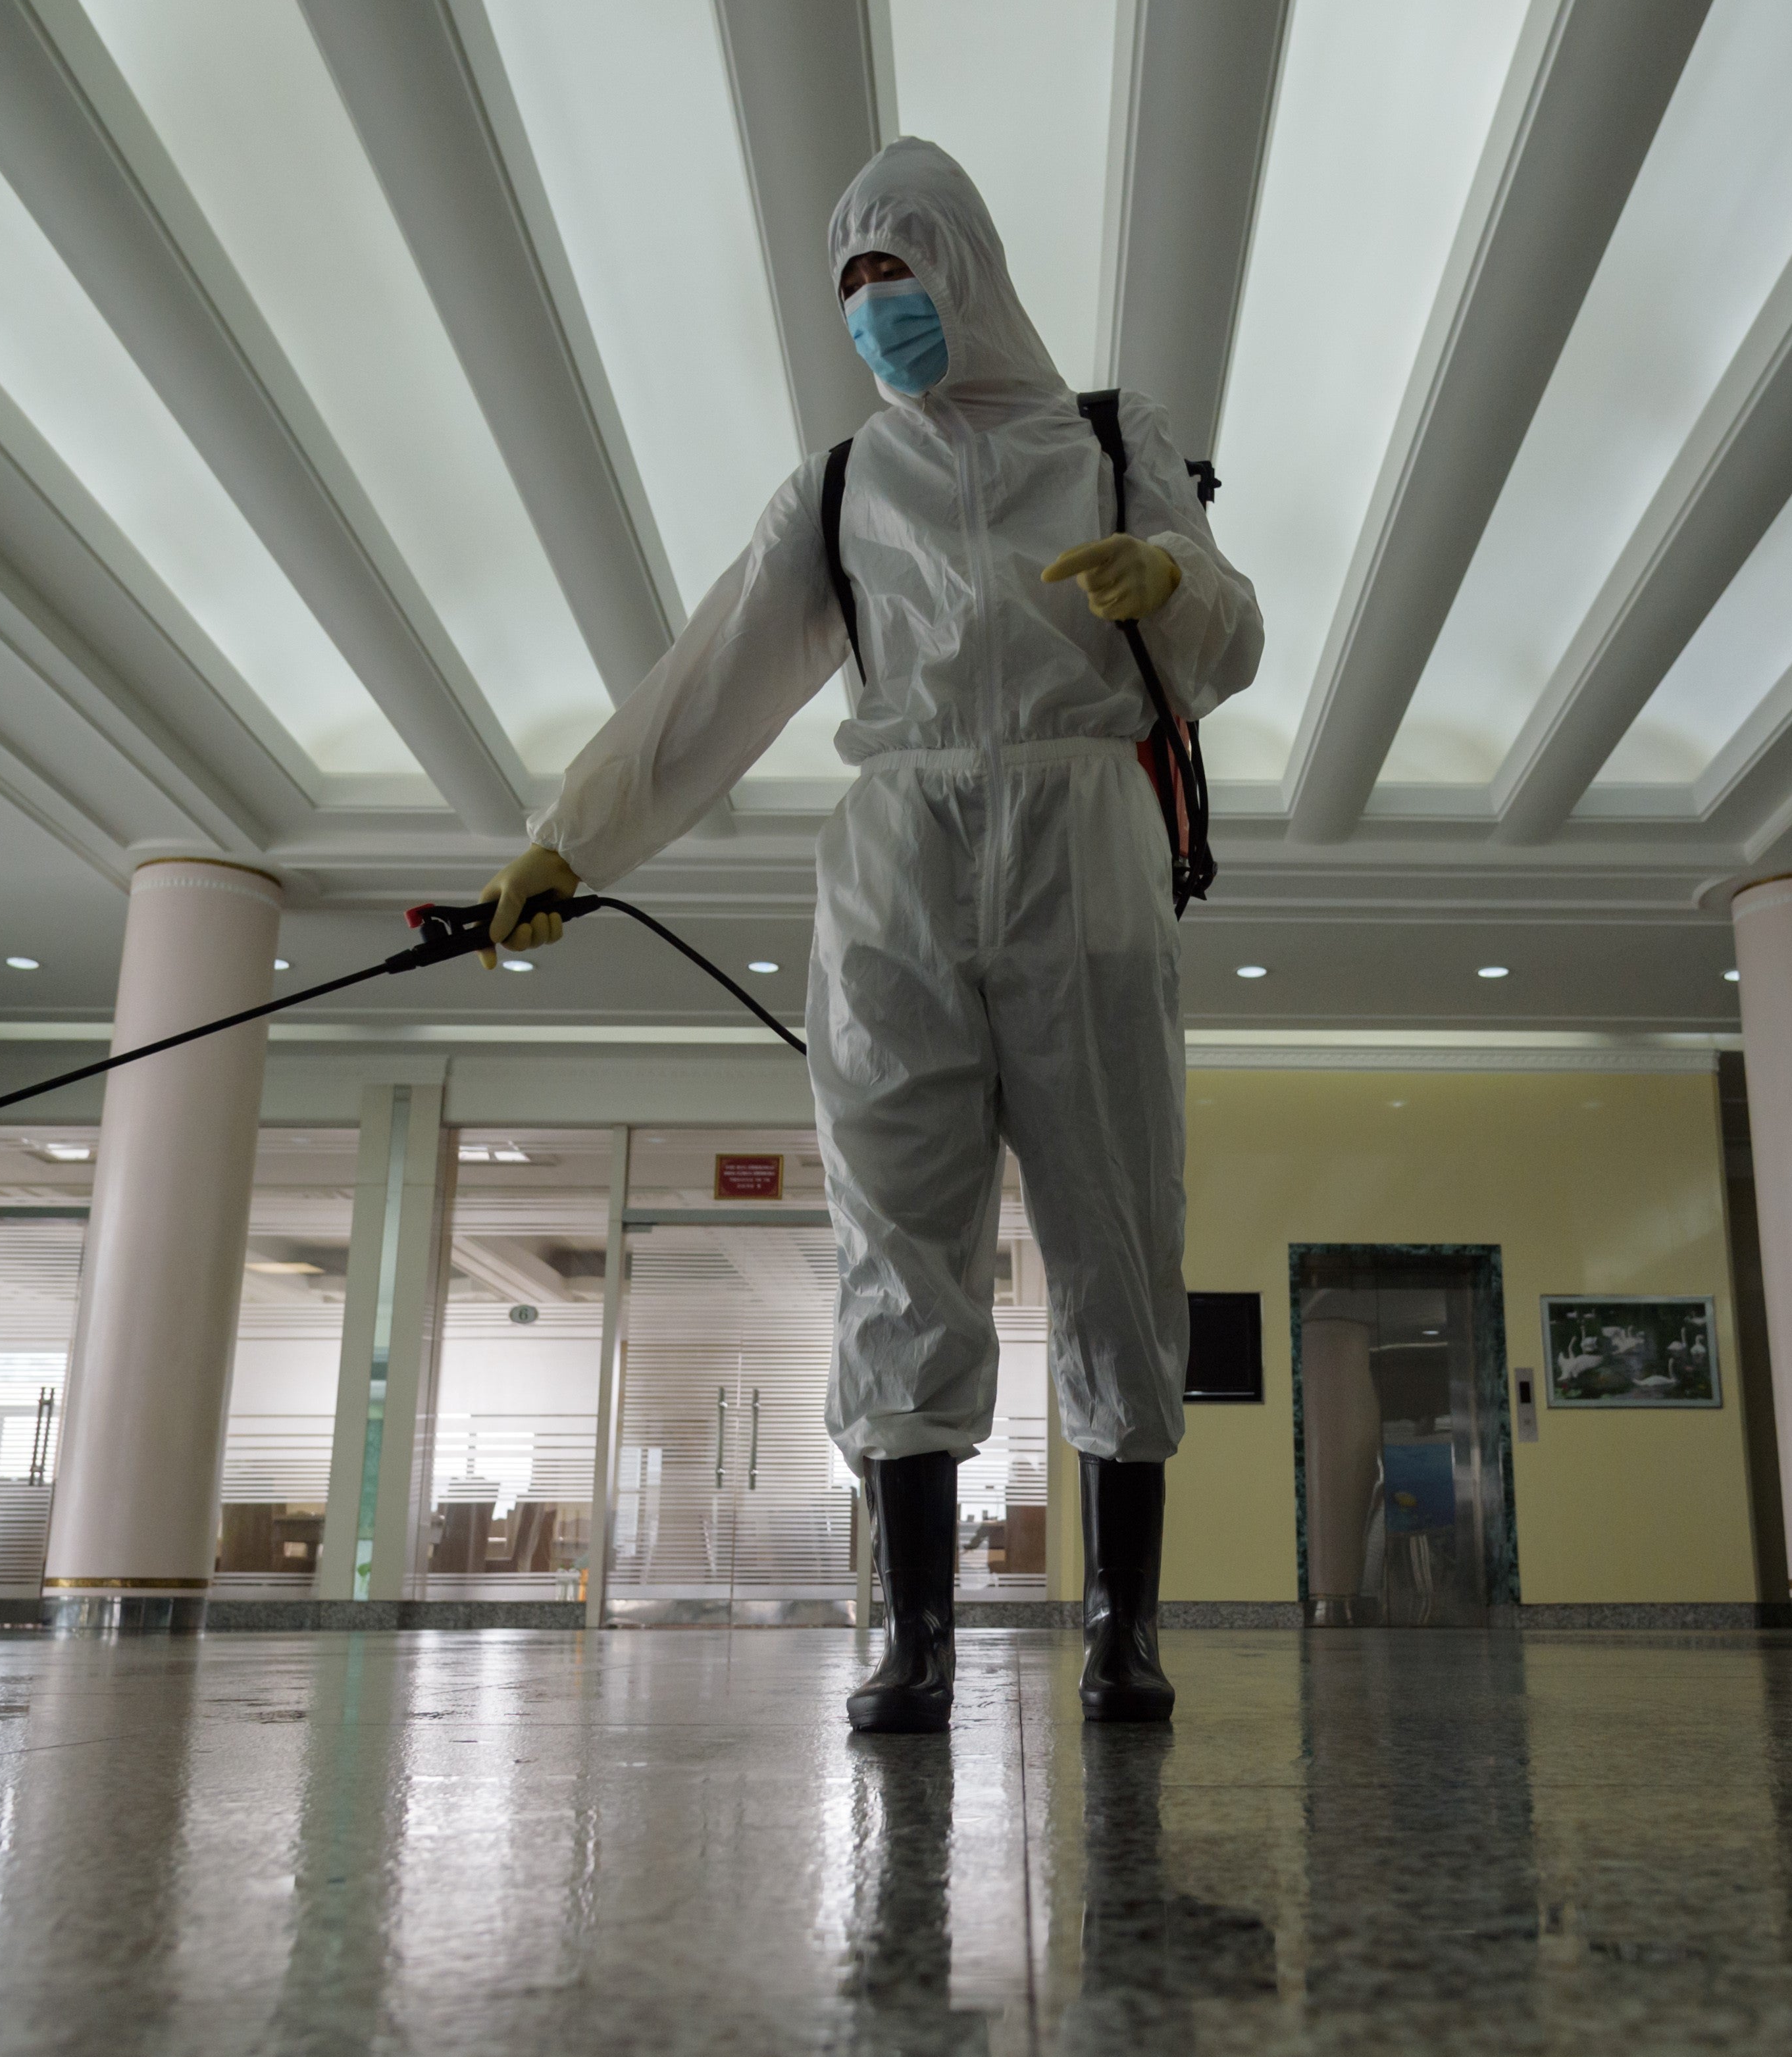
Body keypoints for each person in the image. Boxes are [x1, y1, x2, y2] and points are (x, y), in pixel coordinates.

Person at [479, 138, 1262, 1733]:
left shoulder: (1112, 440)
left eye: (894, 271)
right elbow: (707, 689)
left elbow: (1231, 634)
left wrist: (1160, 573)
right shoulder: (841, 487)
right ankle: (915, 1633)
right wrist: (569, 838)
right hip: (897, 860)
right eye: (850, 285)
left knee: (1117, 1221)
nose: (874, 309)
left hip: (1082, 852)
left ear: (965, 269)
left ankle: (1121, 1626)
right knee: (895, 1234)